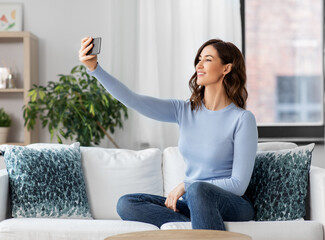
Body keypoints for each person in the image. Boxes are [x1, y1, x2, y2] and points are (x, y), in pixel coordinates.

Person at [79, 38, 258, 230]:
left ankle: (199, 227)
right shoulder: (184, 110)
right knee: (127, 203)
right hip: (193, 203)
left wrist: (187, 185)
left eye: (207, 59)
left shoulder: (242, 119)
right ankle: (198, 227)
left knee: (198, 189)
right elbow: (134, 100)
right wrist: (94, 68)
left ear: (226, 68)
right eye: (198, 59)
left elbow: (238, 185)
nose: (199, 65)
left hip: (233, 205)